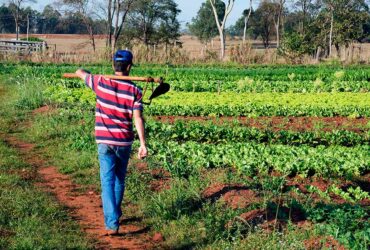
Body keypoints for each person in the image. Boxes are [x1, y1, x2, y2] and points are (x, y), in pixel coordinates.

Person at [75, 50, 147, 236]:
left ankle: (112, 223)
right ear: (129, 67)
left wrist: (86, 72)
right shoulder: (135, 90)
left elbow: (79, 72)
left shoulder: (100, 82)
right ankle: (114, 215)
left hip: (105, 140)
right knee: (119, 179)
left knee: (107, 181)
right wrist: (143, 144)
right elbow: (138, 119)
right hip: (124, 141)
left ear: (113, 65)